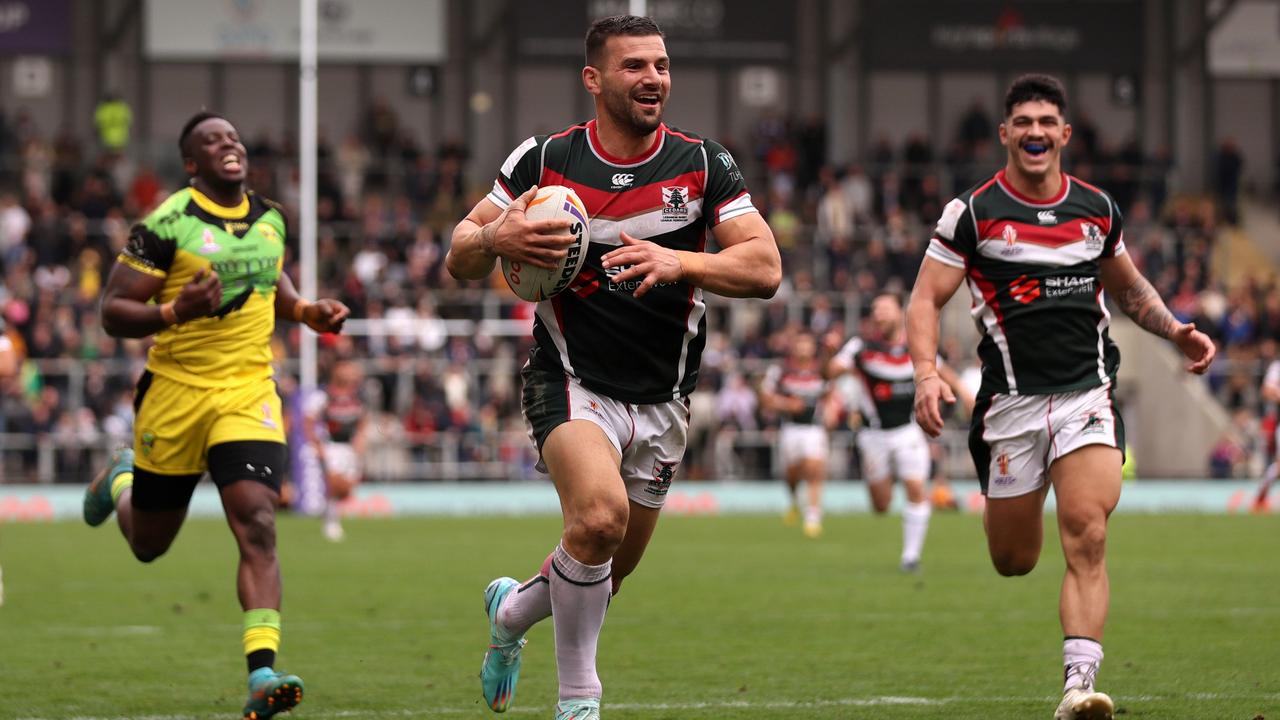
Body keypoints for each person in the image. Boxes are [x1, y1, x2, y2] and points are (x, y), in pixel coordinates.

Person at [446, 15, 781, 720]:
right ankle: (579, 702)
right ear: (594, 80)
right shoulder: (546, 159)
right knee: (598, 520)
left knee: (603, 572)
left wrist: (680, 259)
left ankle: (510, 614)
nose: (653, 78)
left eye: (660, 65)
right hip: (570, 378)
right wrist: (499, 233)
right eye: (634, 66)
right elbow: (461, 252)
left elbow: (764, 267)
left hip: (664, 399)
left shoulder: (703, 164)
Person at [907, 75, 1215, 720]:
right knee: (1014, 560)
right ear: (1005, 134)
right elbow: (925, 298)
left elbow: (1130, 290)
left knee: (1089, 533)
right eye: (1023, 121)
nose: (1036, 132)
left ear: (1065, 134)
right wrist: (928, 373)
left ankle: (1079, 686)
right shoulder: (974, 212)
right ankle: (1013, 508)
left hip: (1087, 395)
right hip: (1010, 409)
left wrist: (1175, 330)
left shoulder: (1097, 208)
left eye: (1047, 121)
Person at [81, 111, 349, 720]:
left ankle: (262, 674)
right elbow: (113, 310)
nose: (228, 144)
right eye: (211, 141)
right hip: (175, 393)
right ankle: (121, 479)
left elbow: (269, 275)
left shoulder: (271, 217)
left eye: (233, 136)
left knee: (257, 519)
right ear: (192, 164)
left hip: (247, 392)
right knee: (150, 544)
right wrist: (175, 311)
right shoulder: (166, 223)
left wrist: (304, 311)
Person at [828, 292, 972, 571]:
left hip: (908, 431)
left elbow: (944, 372)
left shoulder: (916, 347)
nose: (879, 314)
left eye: (884, 308)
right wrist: (830, 354)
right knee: (881, 505)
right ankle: (887, 482)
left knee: (916, 488)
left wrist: (967, 396)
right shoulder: (860, 346)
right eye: (875, 309)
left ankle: (911, 557)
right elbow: (832, 370)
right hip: (873, 435)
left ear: (900, 311)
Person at [759, 330, 832, 538]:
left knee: (814, 467)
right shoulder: (781, 371)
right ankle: (794, 501)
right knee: (792, 474)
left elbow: (830, 392)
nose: (803, 348)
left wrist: (832, 409)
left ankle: (813, 516)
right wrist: (786, 404)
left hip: (814, 428)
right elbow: (765, 397)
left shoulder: (820, 371)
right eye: (799, 344)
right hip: (790, 428)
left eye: (806, 344)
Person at [304, 359, 369, 541]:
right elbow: (308, 420)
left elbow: (363, 420)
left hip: (349, 447)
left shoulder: (357, 396)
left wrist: (360, 438)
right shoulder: (325, 396)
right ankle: (331, 521)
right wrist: (316, 444)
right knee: (334, 483)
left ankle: (327, 511)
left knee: (347, 488)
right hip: (331, 446)